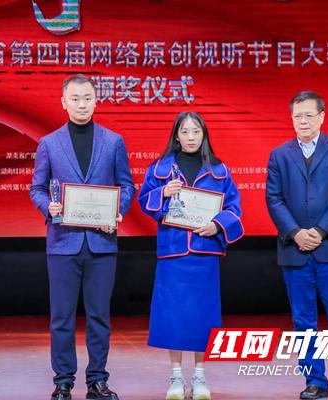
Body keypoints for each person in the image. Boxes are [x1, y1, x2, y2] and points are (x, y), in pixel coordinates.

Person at [30, 74, 135, 400]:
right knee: (61, 318)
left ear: (96, 100)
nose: (81, 104)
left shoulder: (113, 141)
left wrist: (118, 211)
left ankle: (97, 381)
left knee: (99, 316)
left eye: (87, 98)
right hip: (63, 242)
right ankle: (63, 381)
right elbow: (36, 188)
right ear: (64, 102)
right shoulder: (49, 143)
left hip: (102, 244)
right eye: (75, 99)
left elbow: (127, 185)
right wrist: (49, 206)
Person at [138, 111, 244, 400]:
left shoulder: (219, 170)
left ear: (204, 134)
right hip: (172, 253)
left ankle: (199, 376)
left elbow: (234, 208)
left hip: (204, 253)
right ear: (176, 135)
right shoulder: (160, 168)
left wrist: (217, 225)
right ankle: (175, 376)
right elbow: (144, 200)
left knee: (203, 317)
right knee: (173, 316)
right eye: (185, 132)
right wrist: (163, 191)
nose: (191, 137)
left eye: (196, 131)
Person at [265, 91, 328, 400]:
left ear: (322, 116)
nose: (303, 121)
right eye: (297, 116)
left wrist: (320, 231)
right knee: (304, 321)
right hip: (295, 249)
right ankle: (315, 382)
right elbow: (274, 198)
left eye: (309, 115)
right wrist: (295, 233)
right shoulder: (279, 155)